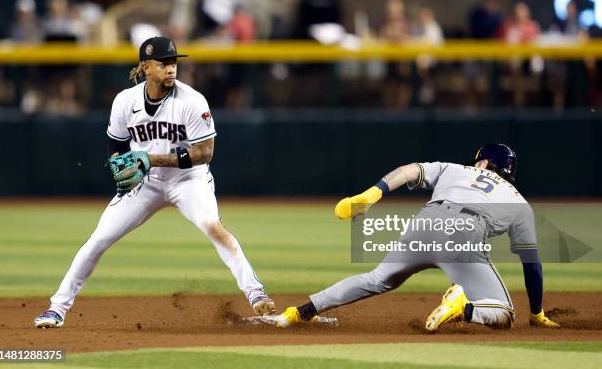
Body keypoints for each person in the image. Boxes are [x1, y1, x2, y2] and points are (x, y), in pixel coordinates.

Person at [34, 36, 275, 328]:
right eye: (164, 64)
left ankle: (257, 294)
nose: (172, 69)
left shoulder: (192, 101)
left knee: (213, 227)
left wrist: (152, 159)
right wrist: (119, 169)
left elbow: (204, 152)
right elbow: (116, 143)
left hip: (189, 180)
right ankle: (56, 308)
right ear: (146, 67)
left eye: (174, 63)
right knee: (99, 239)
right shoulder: (125, 101)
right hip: (144, 182)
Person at [276, 144, 559, 331]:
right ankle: (465, 307)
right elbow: (531, 265)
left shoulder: (454, 168)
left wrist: (370, 195)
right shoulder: (519, 202)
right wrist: (536, 313)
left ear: (483, 162)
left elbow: (408, 170)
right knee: (504, 314)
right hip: (466, 232)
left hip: (426, 220)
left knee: (376, 279)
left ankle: (299, 312)